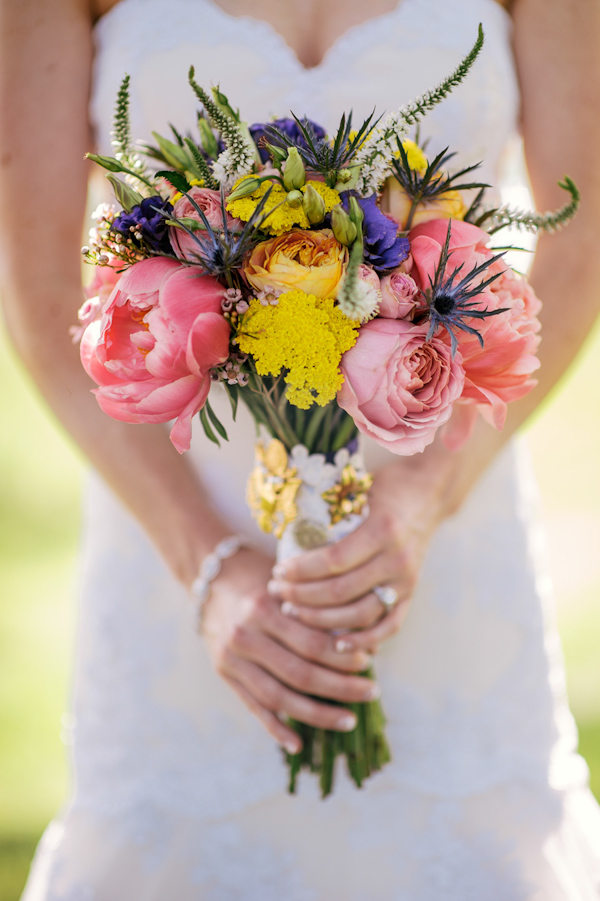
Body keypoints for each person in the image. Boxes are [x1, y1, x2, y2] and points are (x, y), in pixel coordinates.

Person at [2, 0, 600, 897]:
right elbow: (44, 299)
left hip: (447, 548)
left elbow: (582, 233)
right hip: (176, 549)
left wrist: (426, 497)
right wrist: (208, 569)